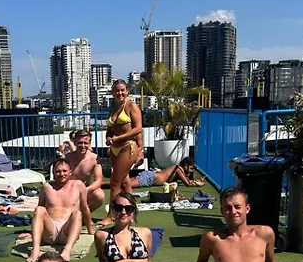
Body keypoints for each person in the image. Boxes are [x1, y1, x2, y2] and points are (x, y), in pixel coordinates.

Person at [27, 159, 94, 262]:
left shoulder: (78, 185)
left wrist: (90, 229)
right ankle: (35, 249)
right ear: (53, 173)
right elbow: (39, 213)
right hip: (50, 229)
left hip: (67, 230)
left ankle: (67, 249)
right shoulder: (47, 187)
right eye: (58, 171)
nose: (61, 174)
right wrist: (32, 233)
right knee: (39, 209)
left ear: (70, 172)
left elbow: (85, 208)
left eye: (64, 171)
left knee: (77, 213)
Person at [100, 80, 143, 226]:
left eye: (122, 90)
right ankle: (132, 212)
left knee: (114, 183)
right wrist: (108, 138)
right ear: (113, 93)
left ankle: (111, 215)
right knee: (125, 182)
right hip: (114, 149)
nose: (120, 93)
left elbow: (138, 129)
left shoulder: (131, 106)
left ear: (127, 91)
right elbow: (110, 129)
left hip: (127, 146)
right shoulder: (113, 109)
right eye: (117, 91)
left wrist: (140, 149)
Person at [65, 129, 105, 212]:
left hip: (86, 189)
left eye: (85, 143)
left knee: (99, 195)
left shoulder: (94, 159)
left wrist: (86, 190)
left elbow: (98, 181)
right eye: (80, 143)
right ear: (75, 143)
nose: (83, 146)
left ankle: (84, 214)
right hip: (69, 189)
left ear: (89, 144)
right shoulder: (67, 158)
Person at [129, 157, 206, 189]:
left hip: (150, 176)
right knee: (126, 185)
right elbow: (187, 183)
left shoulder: (177, 169)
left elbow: (188, 179)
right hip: (150, 178)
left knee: (126, 183)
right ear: (185, 166)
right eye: (191, 168)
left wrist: (195, 179)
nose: (191, 171)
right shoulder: (178, 169)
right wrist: (198, 184)